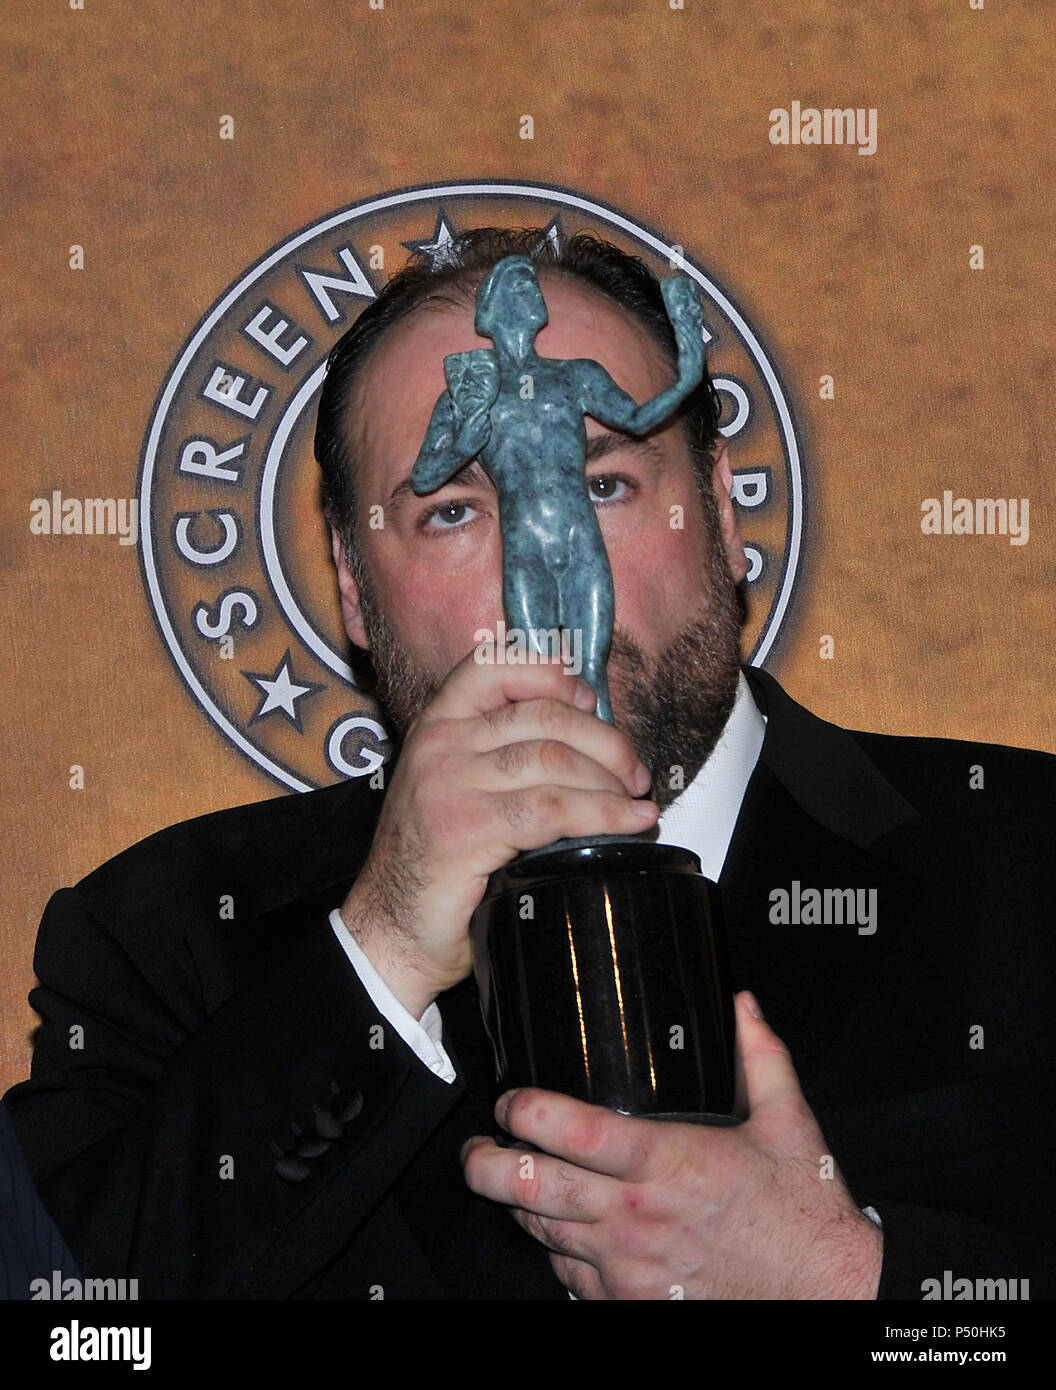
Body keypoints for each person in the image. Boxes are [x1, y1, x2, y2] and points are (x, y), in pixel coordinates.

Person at [4, 228, 1054, 1300]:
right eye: (453, 513)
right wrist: (379, 954)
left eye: (609, 486)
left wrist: (846, 1284)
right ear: (356, 589)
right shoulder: (170, 934)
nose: (534, 571)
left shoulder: (1029, 865)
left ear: (725, 512)